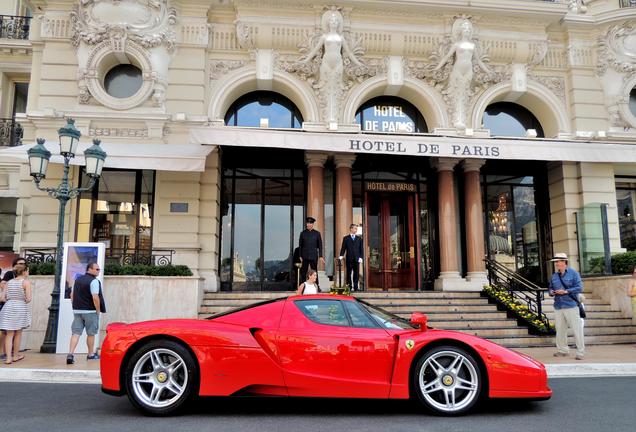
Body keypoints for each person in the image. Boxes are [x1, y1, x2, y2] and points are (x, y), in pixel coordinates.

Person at [297, 8, 364, 122]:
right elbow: (315, 51)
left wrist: (359, 64)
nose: (333, 22)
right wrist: (305, 60)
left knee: (337, 85)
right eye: (332, 21)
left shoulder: (341, 38)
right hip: (326, 62)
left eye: (335, 21)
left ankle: (334, 115)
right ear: (328, 23)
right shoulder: (324, 37)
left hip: (338, 62)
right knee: (325, 85)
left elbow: (349, 53)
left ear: (338, 24)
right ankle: (328, 115)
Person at [432, 18, 493, 129]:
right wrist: (437, 67)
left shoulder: (472, 46)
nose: (467, 31)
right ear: (460, 31)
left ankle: (462, 119)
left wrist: (488, 70)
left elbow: (478, 60)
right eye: (465, 29)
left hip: (468, 70)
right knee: (458, 93)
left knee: (465, 93)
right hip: (458, 69)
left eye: (468, 29)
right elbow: (447, 57)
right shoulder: (457, 45)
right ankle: (458, 119)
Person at [67, 262, 106, 365]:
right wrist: (97, 310)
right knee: (91, 334)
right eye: (97, 269)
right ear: (89, 269)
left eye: (99, 269)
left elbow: (72, 295)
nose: (98, 271)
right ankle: (90, 354)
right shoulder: (94, 281)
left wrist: (74, 306)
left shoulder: (77, 280)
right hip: (90, 311)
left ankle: (70, 354)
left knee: (75, 333)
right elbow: (95, 297)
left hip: (77, 311)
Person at [548, 253, 585, 360]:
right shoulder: (554, 276)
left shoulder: (573, 273)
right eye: (556, 262)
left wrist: (566, 291)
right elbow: (550, 288)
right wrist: (552, 292)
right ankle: (563, 350)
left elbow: (579, 287)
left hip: (571, 305)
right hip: (558, 306)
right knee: (560, 330)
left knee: (576, 330)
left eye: (558, 261)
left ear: (564, 262)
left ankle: (580, 352)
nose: (556, 264)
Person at [0, 262, 31, 364]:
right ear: (24, 272)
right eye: (27, 271)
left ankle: (8, 358)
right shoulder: (26, 282)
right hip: (20, 307)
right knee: (18, 333)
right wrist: (23, 299)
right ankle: (16, 356)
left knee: (9, 333)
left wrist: (11, 299)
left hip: (8, 307)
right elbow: (29, 299)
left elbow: (2, 298)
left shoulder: (8, 282)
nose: (28, 272)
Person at [298, 216, 325, 286]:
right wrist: (300, 255)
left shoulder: (317, 233)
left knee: (314, 272)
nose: (309, 224)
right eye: (308, 223)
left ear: (313, 224)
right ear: (306, 224)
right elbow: (300, 245)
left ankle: (316, 286)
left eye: (311, 223)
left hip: (313, 256)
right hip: (305, 256)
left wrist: (321, 256)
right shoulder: (303, 233)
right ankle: (303, 287)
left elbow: (320, 245)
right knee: (303, 272)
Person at [339, 223, 364, 291]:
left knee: (356, 274)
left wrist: (361, 257)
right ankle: (349, 287)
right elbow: (343, 248)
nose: (356, 230)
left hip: (356, 259)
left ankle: (356, 287)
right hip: (349, 259)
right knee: (348, 273)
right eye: (355, 228)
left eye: (356, 228)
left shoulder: (359, 239)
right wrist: (341, 255)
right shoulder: (346, 238)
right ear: (351, 229)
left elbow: (361, 249)